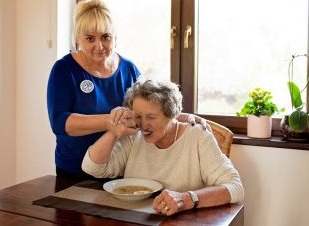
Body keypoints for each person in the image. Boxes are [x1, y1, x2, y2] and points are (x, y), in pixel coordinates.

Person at [47, 0, 208, 179]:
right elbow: (59, 122)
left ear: (115, 37)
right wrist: (110, 122)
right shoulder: (64, 70)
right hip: (74, 170)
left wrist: (183, 117)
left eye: (106, 37)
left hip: (120, 166)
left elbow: (150, 107)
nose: (99, 46)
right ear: (77, 39)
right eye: (90, 38)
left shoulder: (128, 69)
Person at [82, 79, 244, 216]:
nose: (144, 125)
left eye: (151, 117)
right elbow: (93, 168)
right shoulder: (134, 136)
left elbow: (235, 188)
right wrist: (114, 131)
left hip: (183, 220)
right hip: (135, 218)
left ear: (172, 114)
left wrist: (185, 199)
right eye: (138, 116)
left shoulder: (198, 137)